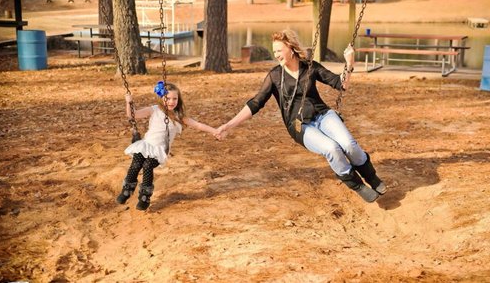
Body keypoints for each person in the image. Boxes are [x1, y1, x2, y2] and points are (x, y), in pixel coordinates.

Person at [215, 29, 386, 202]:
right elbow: (255, 103)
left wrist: (349, 63)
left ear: (290, 48)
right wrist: (228, 125)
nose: (276, 55)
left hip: (323, 115)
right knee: (332, 148)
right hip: (300, 126)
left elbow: (340, 84)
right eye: (274, 52)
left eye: (279, 51)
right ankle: (357, 185)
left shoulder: (310, 67)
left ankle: (371, 177)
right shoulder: (275, 76)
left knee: (349, 144)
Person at [117, 82, 217, 210]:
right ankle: (127, 190)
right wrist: (129, 102)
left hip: (159, 151)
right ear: (162, 98)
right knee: (136, 164)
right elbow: (132, 115)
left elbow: (198, 125)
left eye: (174, 98)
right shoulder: (154, 109)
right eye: (168, 98)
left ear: (178, 100)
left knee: (147, 165)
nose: (171, 101)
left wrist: (215, 131)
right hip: (146, 145)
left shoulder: (178, 116)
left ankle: (145, 196)